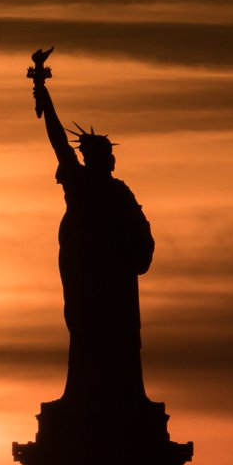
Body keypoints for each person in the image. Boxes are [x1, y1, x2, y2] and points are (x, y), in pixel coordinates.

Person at [29, 49, 154, 405]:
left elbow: (140, 232)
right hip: (88, 272)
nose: (111, 158)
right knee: (88, 331)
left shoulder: (120, 192)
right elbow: (57, 138)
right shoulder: (80, 182)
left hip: (117, 277)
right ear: (94, 158)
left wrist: (137, 249)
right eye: (105, 154)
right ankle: (89, 395)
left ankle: (122, 395)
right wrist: (42, 90)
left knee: (120, 334)